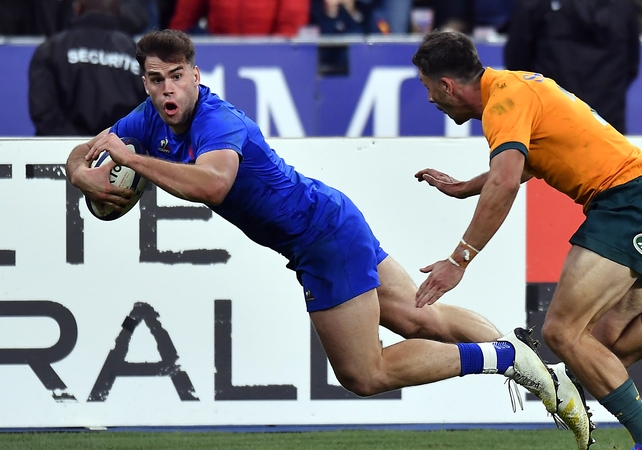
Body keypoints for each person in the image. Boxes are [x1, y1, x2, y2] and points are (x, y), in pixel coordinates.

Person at [64, 29, 570, 424]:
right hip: (331, 218)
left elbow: (214, 184)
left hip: (320, 238)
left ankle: (503, 358)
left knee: (364, 373)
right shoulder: (148, 118)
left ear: (195, 75)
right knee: (421, 319)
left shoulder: (218, 120)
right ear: (146, 83)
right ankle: (535, 368)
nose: (168, 88)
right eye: (156, 79)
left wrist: (134, 161)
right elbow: (86, 150)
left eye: (177, 76)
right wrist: (81, 174)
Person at [411, 30, 642, 450]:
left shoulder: (503, 102)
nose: (429, 99)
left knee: (562, 333)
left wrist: (459, 260)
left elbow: (507, 181)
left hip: (627, 203)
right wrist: (467, 187)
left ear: (447, 85)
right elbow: (524, 164)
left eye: (427, 87)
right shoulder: (516, 86)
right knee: (607, 347)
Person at [503, 0, 640, 135]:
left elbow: (517, 61)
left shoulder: (535, 4)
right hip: (607, 121)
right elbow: (632, 63)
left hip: (552, 118)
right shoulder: (624, 4)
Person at [28, 0, 147, 137]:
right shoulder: (137, 54)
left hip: (61, 147)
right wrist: (115, 141)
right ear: (119, 12)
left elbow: (44, 112)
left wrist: (77, 145)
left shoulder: (51, 49)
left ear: (77, 8)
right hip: (121, 145)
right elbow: (148, 110)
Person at [168, 0, 310, 37]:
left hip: (271, 55)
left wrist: (276, 51)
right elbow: (185, 18)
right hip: (220, 51)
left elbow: (292, 20)